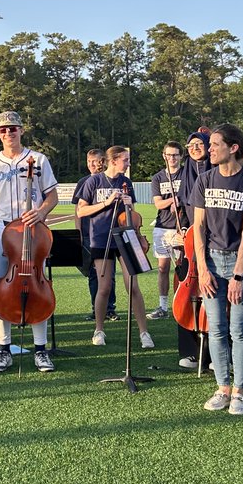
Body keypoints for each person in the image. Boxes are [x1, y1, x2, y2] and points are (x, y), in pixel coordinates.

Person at [189, 125, 243, 416]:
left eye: (214, 144)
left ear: (233, 148)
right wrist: (202, 269)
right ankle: (222, 388)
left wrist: (237, 275)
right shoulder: (204, 179)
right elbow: (198, 227)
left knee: (239, 330)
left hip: (241, 263)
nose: (208, 149)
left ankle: (239, 392)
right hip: (210, 261)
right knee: (217, 329)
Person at [0, 111, 59, 372]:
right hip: (4, 230)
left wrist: (41, 212)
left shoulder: (38, 159)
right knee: (2, 288)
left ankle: (40, 350)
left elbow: (52, 196)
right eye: (3, 130)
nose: (8, 133)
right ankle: (4, 350)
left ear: (21, 130)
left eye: (12, 128)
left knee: (38, 287)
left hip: (33, 231)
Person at [77, 145, 156, 349]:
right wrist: (106, 203)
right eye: (125, 160)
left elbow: (133, 215)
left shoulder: (126, 182)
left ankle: (144, 332)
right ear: (113, 161)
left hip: (125, 237)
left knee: (133, 287)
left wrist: (129, 204)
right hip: (101, 238)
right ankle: (99, 330)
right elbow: (81, 211)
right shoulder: (93, 181)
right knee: (104, 287)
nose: (128, 163)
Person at [175, 130, 213, 369]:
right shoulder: (186, 172)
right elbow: (181, 207)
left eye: (200, 144)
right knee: (186, 291)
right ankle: (190, 351)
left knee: (213, 293)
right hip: (190, 240)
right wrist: (181, 232)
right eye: (191, 145)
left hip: (215, 238)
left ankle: (213, 353)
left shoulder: (216, 169)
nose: (195, 148)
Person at [71, 150, 116, 323]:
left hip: (106, 233)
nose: (91, 164)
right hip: (89, 233)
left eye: (95, 161)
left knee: (108, 273)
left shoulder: (109, 180)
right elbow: (78, 210)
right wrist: (79, 232)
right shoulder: (84, 181)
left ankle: (110, 308)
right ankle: (96, 308)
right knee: (93, 274)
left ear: (102, 162)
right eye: (89, 161)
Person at [148, 142, 188, 320]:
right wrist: (173, 202)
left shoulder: (187, 173)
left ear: (181, 156)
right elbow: (158, 203)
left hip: (182, 227)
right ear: (164, 156)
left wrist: (179, 200)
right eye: (169, 155)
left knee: (183, 269)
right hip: (162, 227)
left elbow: (191, 197)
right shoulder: (158, 177)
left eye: (176, 155)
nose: (172, 158)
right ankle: (163, 306)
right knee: (163, 268)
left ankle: (182, 303)